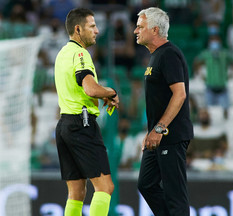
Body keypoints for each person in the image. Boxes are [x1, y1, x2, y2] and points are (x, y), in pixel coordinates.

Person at [54, 8, 119, 216]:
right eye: (92, 26)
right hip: (82, 124)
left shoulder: (63, 53)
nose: (97, 31)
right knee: (105, 187)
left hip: (64, 125)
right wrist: (111, 91)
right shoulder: (80, 53)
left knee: (76, 193)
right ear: (78, 29)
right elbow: (90, 88)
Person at [134, 7, 194, 216]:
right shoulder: (156, 56)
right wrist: (152, 131)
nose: (135, 30)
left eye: (140, 26)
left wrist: (159, 129)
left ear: (155, 30)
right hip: (157, 136)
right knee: (146, 184)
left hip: (170, 134)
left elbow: (180, 94)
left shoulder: (169, 54)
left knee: (175, 195)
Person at [194, 35, 233, 118]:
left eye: (216, 41)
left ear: (220, 42)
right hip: (210, 87)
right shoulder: (206, 53)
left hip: (223, 87)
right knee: (208, 111)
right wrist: (199, 75)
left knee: (226, 111)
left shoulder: (225, 53)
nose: (215, 43)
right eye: (213, 41)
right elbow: (196, 61)